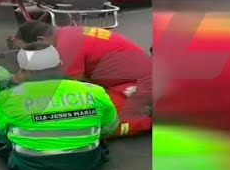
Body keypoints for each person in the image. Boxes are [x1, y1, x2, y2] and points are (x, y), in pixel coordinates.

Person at [0, 42, 118, 170]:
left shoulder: (6, 97)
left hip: (31, 168)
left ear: (23, 71)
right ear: (60, 65)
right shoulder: (95, 91)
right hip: (88, 162)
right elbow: (109, 127)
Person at [15, 21, 152, 139]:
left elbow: (73, 87)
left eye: (29, 51)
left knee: (95, 122)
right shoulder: (67, 33)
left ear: (40, 40)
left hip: (139, 83)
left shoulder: (66, 47)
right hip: (127, 79)